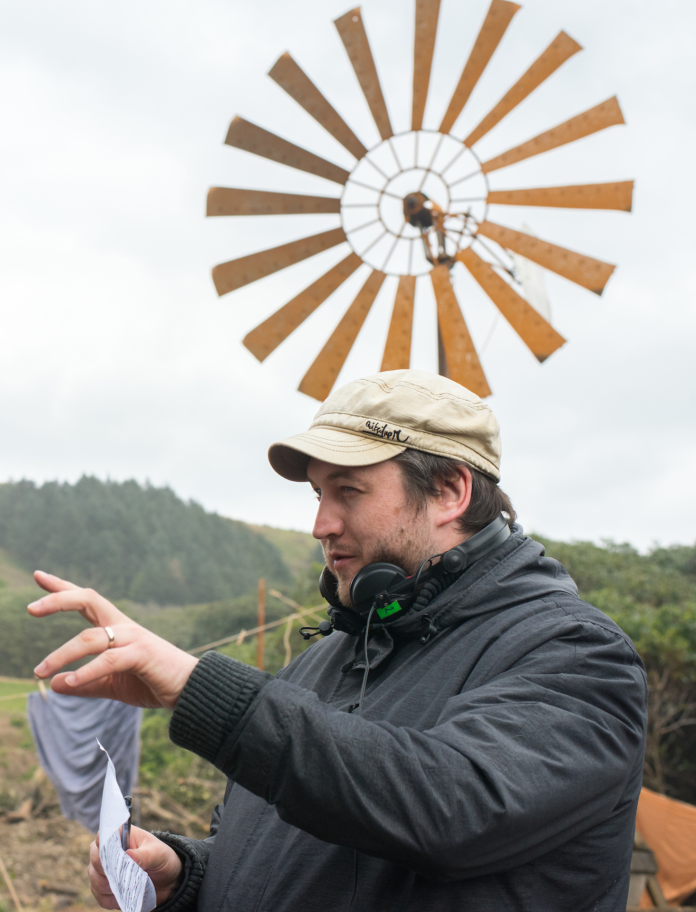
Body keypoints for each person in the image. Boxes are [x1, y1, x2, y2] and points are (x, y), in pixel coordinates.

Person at [30, 370, 647, 912]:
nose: (321, 524)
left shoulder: (577, 655)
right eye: (319, 494)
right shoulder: (323, 661)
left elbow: (451, 810)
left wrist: (202, 687)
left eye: (349, 490)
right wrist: (186, 877)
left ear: (451, 493)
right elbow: (290, 850)